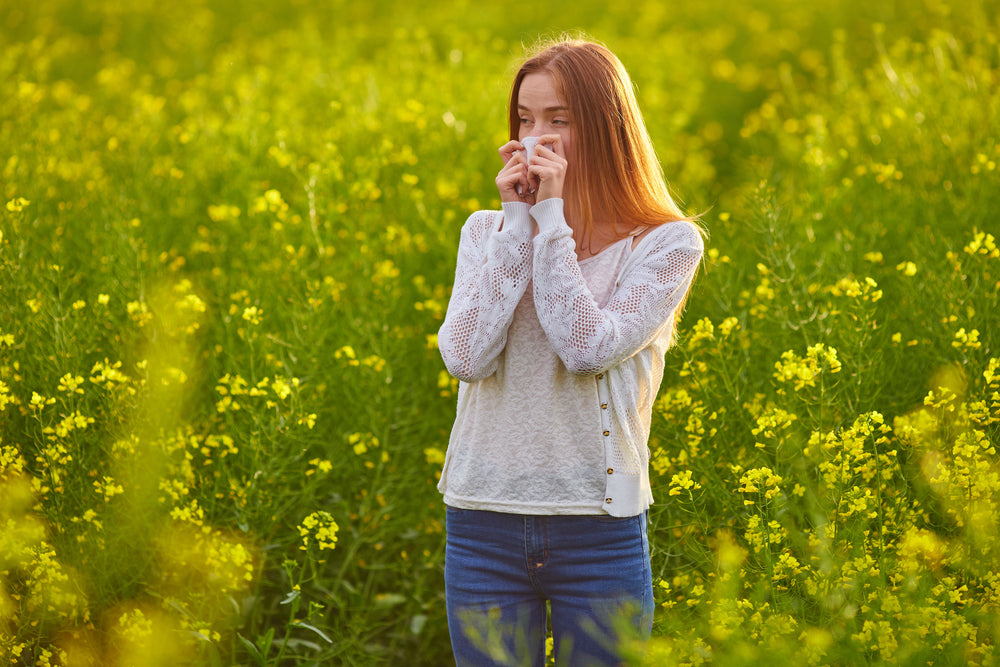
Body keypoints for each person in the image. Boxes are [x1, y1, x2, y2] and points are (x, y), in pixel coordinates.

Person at [436, 37, 704, 666]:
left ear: (608, 127)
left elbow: (585, 346)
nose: (537, 138)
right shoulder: (485, 231)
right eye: (525, 120)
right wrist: (516, 224)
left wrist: (551, 219)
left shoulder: (666, 244)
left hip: (598, 530)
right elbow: (466, 357)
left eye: (559, 120)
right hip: (482, 522)